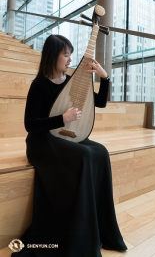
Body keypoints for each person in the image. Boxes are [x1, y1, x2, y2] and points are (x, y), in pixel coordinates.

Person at [11, 34, 127, 257]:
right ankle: (79, 228)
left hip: (64, 137)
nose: (69, 59)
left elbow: (100, 102)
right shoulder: (40, 84)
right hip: (41, 141)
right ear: (53, 56)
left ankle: (99, 227)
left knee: (100, 152)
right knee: (84, 155)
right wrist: (62, 118)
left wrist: (104, 78)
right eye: (66, 55)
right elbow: (30, 124)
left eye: (70, 55)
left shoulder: (69, 83)